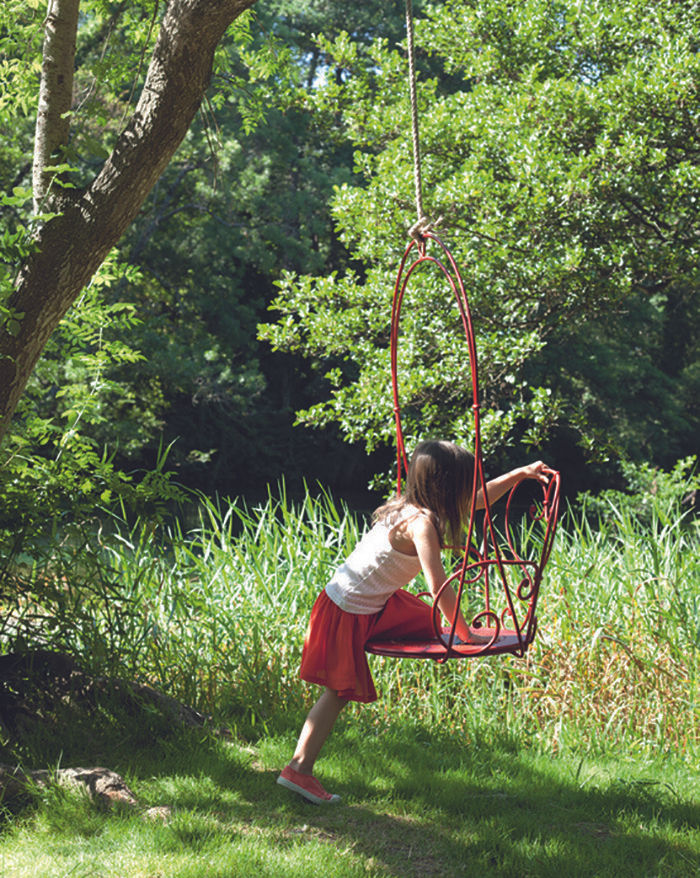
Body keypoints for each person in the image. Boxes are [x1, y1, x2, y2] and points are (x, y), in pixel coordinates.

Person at [277, 440, 554, 805]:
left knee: (426, 623)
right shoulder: (421, 525)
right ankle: (298, 770)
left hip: (368, 601)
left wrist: (519, 474)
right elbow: (438, 586)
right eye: (467, 482)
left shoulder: (410, 505)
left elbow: (480, 499)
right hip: (349, 609)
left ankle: (299, 769)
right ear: (447, 486)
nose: (472, 490)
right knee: (339, 691)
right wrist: (466, 634)